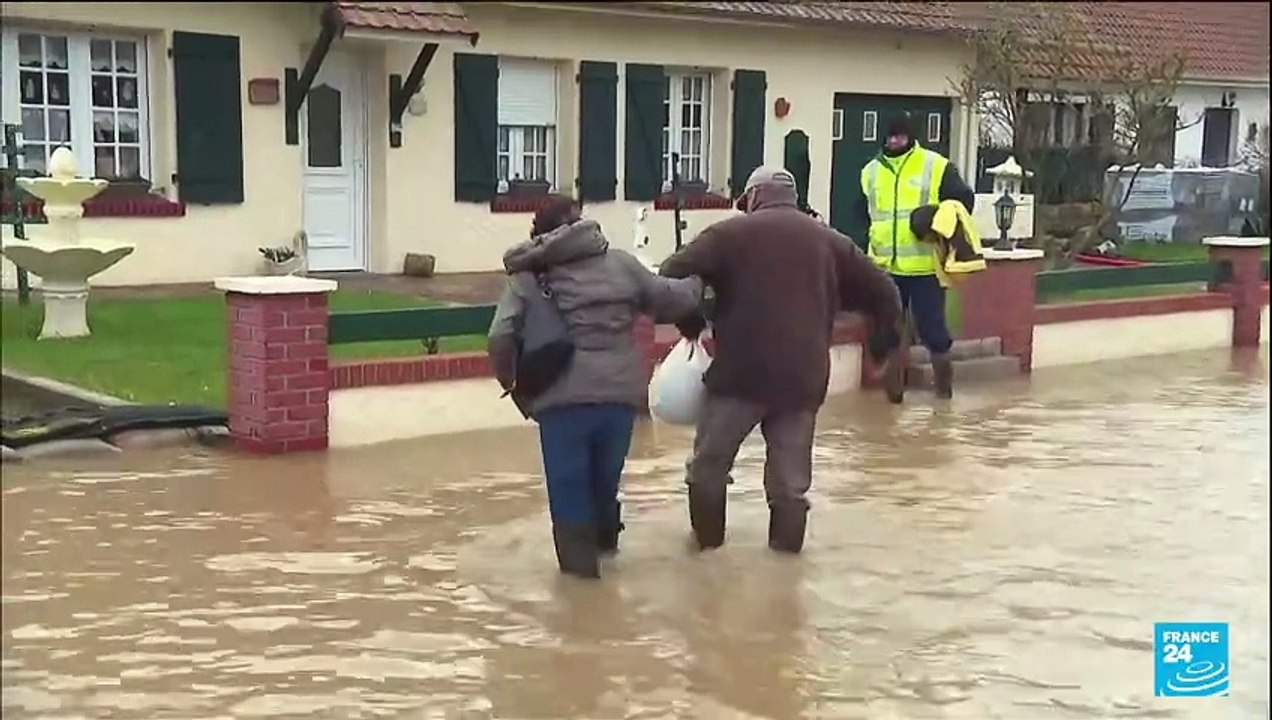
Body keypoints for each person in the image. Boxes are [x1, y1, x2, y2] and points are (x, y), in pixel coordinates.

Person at [659, 167, 902, 554]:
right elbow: (885, 290)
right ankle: (786, 571)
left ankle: (707, 555)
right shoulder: (831, 241)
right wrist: (881, 345)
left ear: (754, 197)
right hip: (802, 379)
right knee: (791, 485)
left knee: (708, 468)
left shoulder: (727, 235)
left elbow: (671, 275)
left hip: (740, 375)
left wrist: (692, 321)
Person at [487, 195, 703, 579]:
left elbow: (501, 336)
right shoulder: (620, 265)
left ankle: (581, 596)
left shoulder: (527, 276)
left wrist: (515, 386)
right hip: (619, 398)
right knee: (604, 482)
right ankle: (607, 561)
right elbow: (673, 299)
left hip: (558, 402)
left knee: (569, 492)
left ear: (538, 230)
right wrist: (699, 273)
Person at [850, 112, 977, 403]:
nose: (895, 141)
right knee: (888, 332)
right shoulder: (869, 171)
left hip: (925, 268)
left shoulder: (935, 166)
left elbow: (963, 201)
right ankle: (893, 398)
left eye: (901, 136)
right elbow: (860, 211)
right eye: (891, 136)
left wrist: (934, 218)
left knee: (933, 330)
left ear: (911, 137)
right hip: (885, 268)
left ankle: (943, 396)